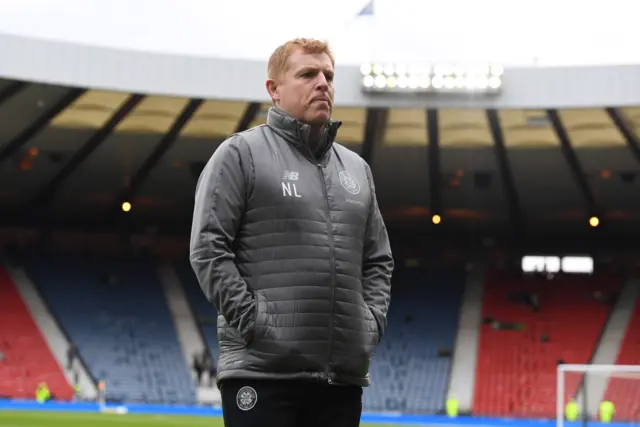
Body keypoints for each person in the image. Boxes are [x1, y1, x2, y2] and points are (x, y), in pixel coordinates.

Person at [190, 38, 394, 427]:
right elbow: (208, 249)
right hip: (262, 375)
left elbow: (379, 260)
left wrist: (369, 325)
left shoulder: (356, 170)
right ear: (274, 89)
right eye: (307, 74)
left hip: (341, 380)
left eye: (328, 76)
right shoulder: (240, 154)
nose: (323, 83)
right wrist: (255, 324)